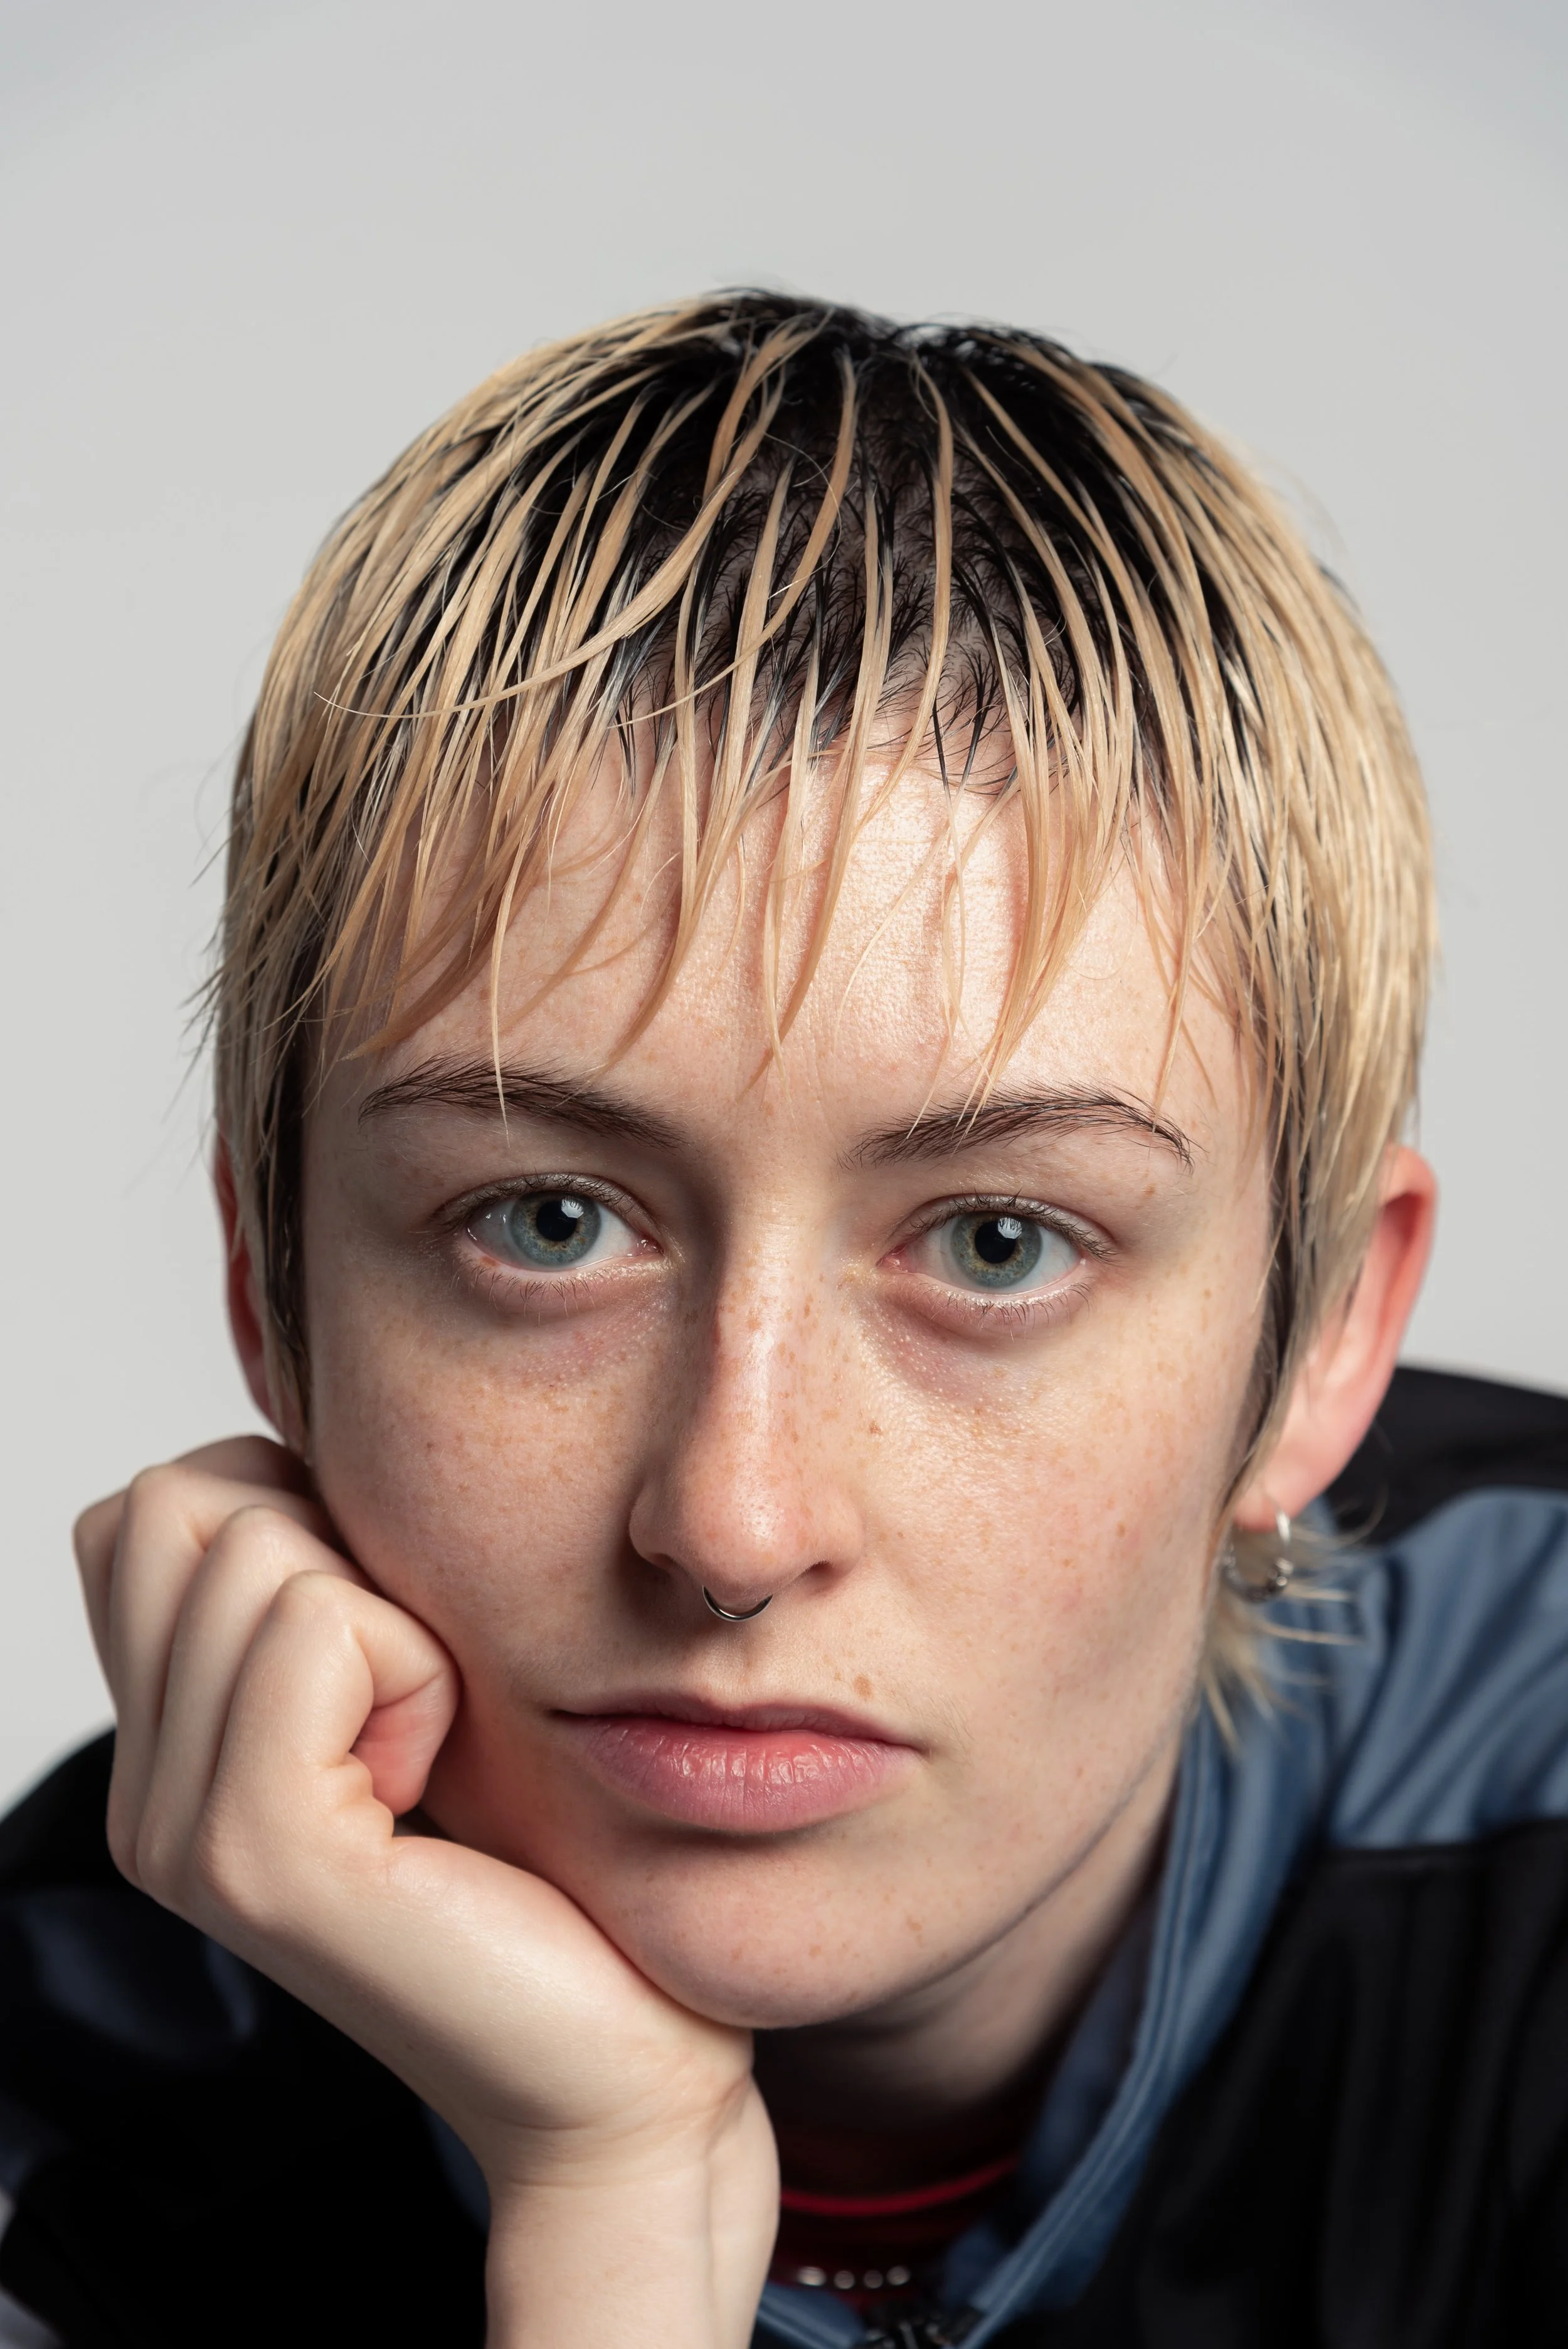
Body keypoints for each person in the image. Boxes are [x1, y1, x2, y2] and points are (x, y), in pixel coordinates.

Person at [1, 294, 1566, 2349]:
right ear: (270, 1297)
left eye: (999, 1243)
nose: (733, 1527)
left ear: (1320, 1346)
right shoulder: (72, 2104)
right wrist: (613, 2208)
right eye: (547, 1224)